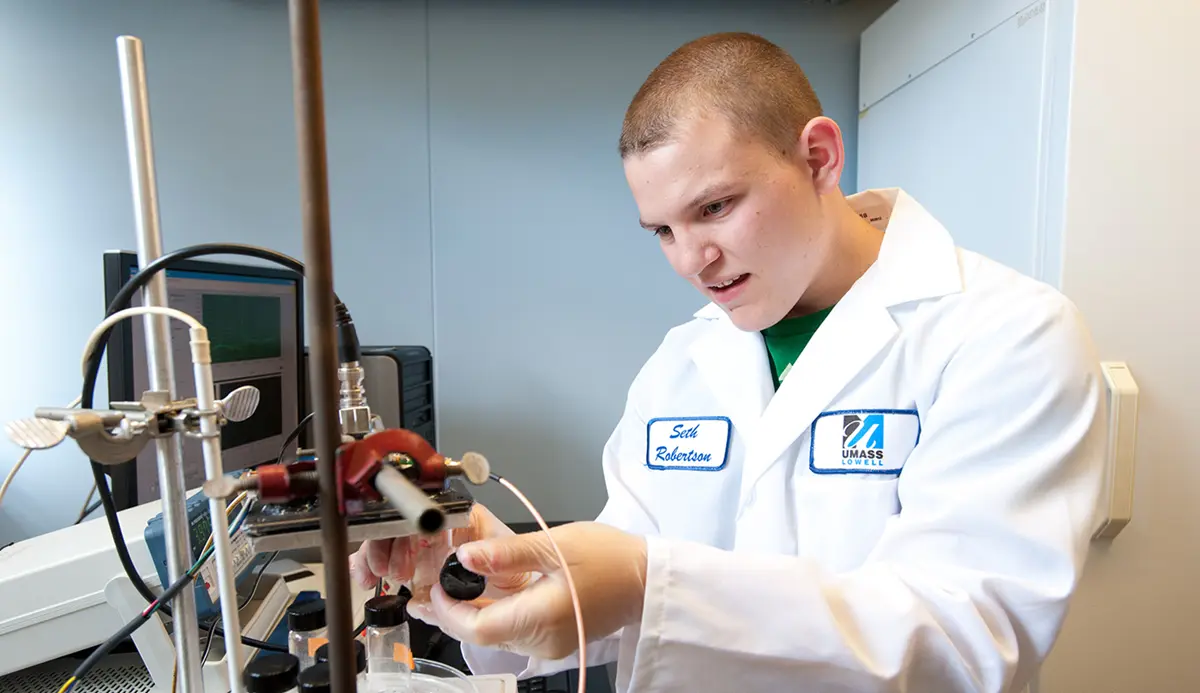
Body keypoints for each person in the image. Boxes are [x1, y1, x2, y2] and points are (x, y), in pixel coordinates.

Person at [349, 32, 1107, 693]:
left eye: (714, 207)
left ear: (818, 155)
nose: (692, 259)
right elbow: (610, 591)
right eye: (663, 230)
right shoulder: (687, 357)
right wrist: (483, 558)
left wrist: (655, 586)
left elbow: (963, 645)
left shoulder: (1007, 334)